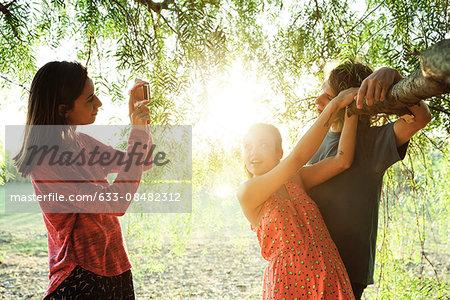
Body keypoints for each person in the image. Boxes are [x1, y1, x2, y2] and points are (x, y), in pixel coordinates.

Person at [13, 61, 152, 299]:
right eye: (90, 99)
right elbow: (116, 203)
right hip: (80, 278)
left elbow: (142, 161)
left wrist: (138, 125)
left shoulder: (84, 143)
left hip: (116, 270)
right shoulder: (45, 163)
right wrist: (137, 134)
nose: (98, 103)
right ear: (62, 109)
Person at [308, 62, 432, 299]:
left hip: (346, 271)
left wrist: (392, 74)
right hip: (310, 265)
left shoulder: (373, 144)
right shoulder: (318, 139)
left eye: (328, 96)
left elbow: (420, 117)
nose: (318, 101)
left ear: (351, 101)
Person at [238, 87, 359, 299]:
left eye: (263, 145)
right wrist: (335, 103)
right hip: (289, 283)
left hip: (329, 274)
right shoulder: (248, 192)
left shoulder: (297, 178)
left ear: (279, 153)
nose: (253, 152)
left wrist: (353, 108)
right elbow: (297, 158)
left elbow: (342, 160)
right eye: (247, 146)